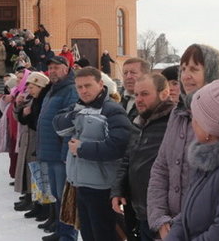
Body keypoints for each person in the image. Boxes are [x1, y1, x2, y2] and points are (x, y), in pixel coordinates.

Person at [147, 44, 219, 239]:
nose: (185, 76)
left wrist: (178, 227)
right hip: (169, 227)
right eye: (183, 69)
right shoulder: (178, 112)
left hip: (203, 229)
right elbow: (161, 167)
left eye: (194, 69)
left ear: (212, 72)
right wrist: (160, 218)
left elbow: (214, 185)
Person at [165, 79, 219, 240]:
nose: (192, 123)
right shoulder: (205, 160)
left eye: (196, 118)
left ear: (210, 128)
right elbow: (186, 215)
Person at [54, 67, 131, 241]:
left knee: (105, 235)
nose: (83, 91)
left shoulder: (112, 110)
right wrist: (73, 113)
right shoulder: (79, 107)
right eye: (79, 87)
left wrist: (82, 149)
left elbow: (118, 146)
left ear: (101, 84)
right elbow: (58, 126)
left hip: (102, 189)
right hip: (81, 185)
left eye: (88, 85)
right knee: (88, 235)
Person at [111, 74, 175, 241]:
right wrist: (118, 189)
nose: (139, 99)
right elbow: (128, 159)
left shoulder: (174, 123)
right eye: (137, 94)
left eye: (145, 94)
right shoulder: (139, 122)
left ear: (164, 93)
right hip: (138, 211)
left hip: (162, 216)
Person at [37, 56, 79, 241]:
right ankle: (61, 231)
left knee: (65, 197)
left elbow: (71, 123)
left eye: (56, 67)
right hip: (49, 152)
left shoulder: (70, 89)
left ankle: (68, 234)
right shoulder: (53, 90)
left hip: (60, 155)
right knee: (56, 194)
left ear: (66, 68)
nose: (52, 71)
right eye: (50, 68)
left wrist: (65, 154)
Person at [14, 72, 50, 221]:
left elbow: (35, 122)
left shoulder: (42, 101)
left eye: (32, 85)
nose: (28, 88)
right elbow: (22, 119)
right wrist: (20, 107)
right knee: (31, 172)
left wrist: (26, 114)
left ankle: (41, 205)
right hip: (28, 139)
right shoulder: (33, 100)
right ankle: (34, 201)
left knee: (38, 175)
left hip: (36, 140)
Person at [119, 57, 151, 122]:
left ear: (146, 75)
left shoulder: (153, 103)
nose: (128, 77)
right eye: (125, 73)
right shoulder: (115, 100)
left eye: (133, 73)